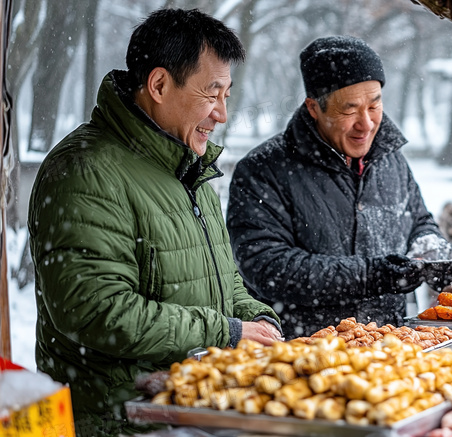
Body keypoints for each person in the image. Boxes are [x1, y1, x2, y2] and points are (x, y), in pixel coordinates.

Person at [28, 9, 282, 436]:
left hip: (189, 412)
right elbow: (97, 312)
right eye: (212, 92)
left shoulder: (190, 167)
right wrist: (227, 331)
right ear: (159, 85)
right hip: (119, 421)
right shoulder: (86, 171)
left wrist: (260, 321)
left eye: (228, 93)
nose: (221, 113)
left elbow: (220, 281)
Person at [227, 36, 452, 337]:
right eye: (350, 109)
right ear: (314, 108)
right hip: (305, 353)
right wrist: (370, 276)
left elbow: (418, 221)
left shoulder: (390, 157)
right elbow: (267, 268)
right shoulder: (263, 169)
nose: (366, 123)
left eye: (374, 104)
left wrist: (434, 254)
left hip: (391, 346)